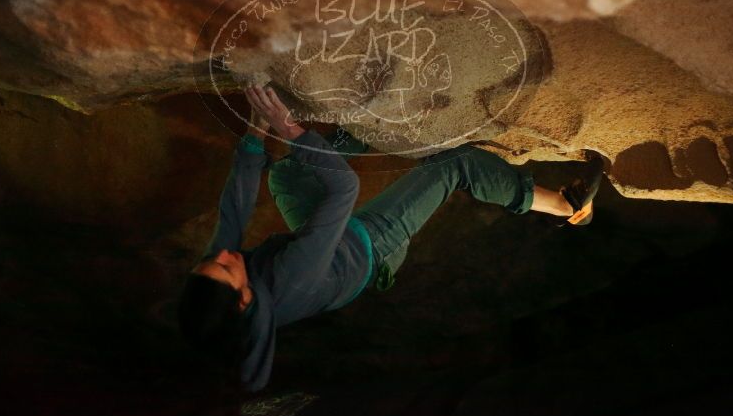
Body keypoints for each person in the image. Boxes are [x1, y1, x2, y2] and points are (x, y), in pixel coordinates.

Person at [178, 85, 603, 395]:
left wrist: (255, 132)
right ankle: (568, 207)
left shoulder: (221, 280)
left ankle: (371, 125)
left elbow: (232, 214)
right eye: (227, 268)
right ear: (244, 300)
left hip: (318, 245)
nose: (228, 255)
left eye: (212, 261)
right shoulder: (291, 279)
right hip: (369, 250)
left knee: (288, 173)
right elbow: (342, 190)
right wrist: (288, 128)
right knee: (451, 164)